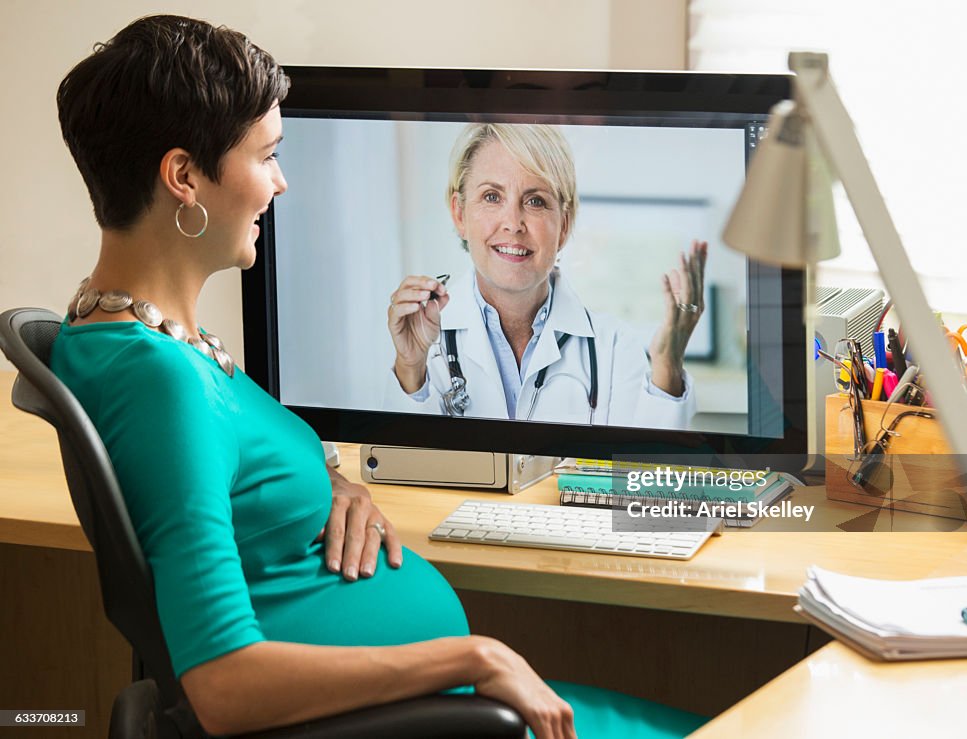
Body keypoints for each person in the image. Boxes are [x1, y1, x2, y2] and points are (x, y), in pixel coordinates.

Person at [50, 15, 707, 739]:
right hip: (423, 717)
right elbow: (223, 685)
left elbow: (226, 469)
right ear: (183, 178)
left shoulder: (122, 330)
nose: (280, 181)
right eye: (265, 155)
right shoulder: (160, 381)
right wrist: (476, 654)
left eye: (539, 200)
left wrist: (328, 483)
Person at [385, 123, 708, 427]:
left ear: (564, 225)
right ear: (459, 213)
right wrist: (411, 367)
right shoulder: (422, 335)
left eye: (535, 201)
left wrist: (667, 365)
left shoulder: (614, 347)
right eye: (492, 197)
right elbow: (396, 471)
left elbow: (643, 477)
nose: (513, 223)